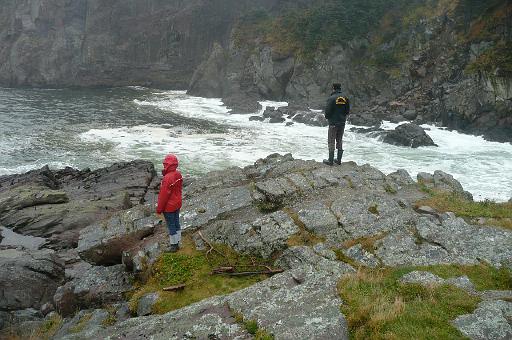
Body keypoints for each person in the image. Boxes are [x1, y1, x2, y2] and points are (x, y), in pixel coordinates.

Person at [156, 154, 183, 252]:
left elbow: (163, 196)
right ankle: (178, 242)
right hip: (177, 203)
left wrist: (159, 209)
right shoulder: (178, 174)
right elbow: (179, 189)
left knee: (171, 225)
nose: (164, 165)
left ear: (167, 165)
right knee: (176, 223)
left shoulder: (167, 178)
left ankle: (174, 246)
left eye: (165, 164)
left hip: (169, 207)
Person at [323, 83, 350, 166]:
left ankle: (330, 161)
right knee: (339, 140)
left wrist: (329, 118)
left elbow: (327, 112)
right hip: (342, 122)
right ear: (340, 88)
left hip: (333, 123)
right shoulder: (345, 98)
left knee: (331, 140)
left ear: (333, 88)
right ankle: (338, 160)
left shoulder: (331, 98)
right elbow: (347, 111)